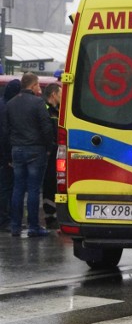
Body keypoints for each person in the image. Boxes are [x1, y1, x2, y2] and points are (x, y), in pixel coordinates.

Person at [3, 73, 53, 237]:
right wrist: (48, 147)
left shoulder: (10, 104)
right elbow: (46, 127)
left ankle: (16, 226)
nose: (39, 88)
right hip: (35, 150)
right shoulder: (38, 103)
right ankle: (33, 226)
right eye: (38, 85)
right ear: (32, 86)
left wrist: (11, 151)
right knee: (33, 189)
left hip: (17, 149)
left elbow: (6, 130)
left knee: (18, 188)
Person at [0, 79, 22, 230]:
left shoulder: (3, 103)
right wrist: (8, 157)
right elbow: (5, 134)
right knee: (7, 187)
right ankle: (5, 220)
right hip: (4, 155)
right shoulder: (6, 107)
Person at [42, 83, 61, 229]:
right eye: (60, 93)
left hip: (55, 152)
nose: (62, 96)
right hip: (48, 152)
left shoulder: (57, 110)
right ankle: (50, 216)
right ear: (54, 94)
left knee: (54, 183)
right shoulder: (46, 110)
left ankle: (54, 214)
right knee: (49, 184)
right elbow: (48, 132)